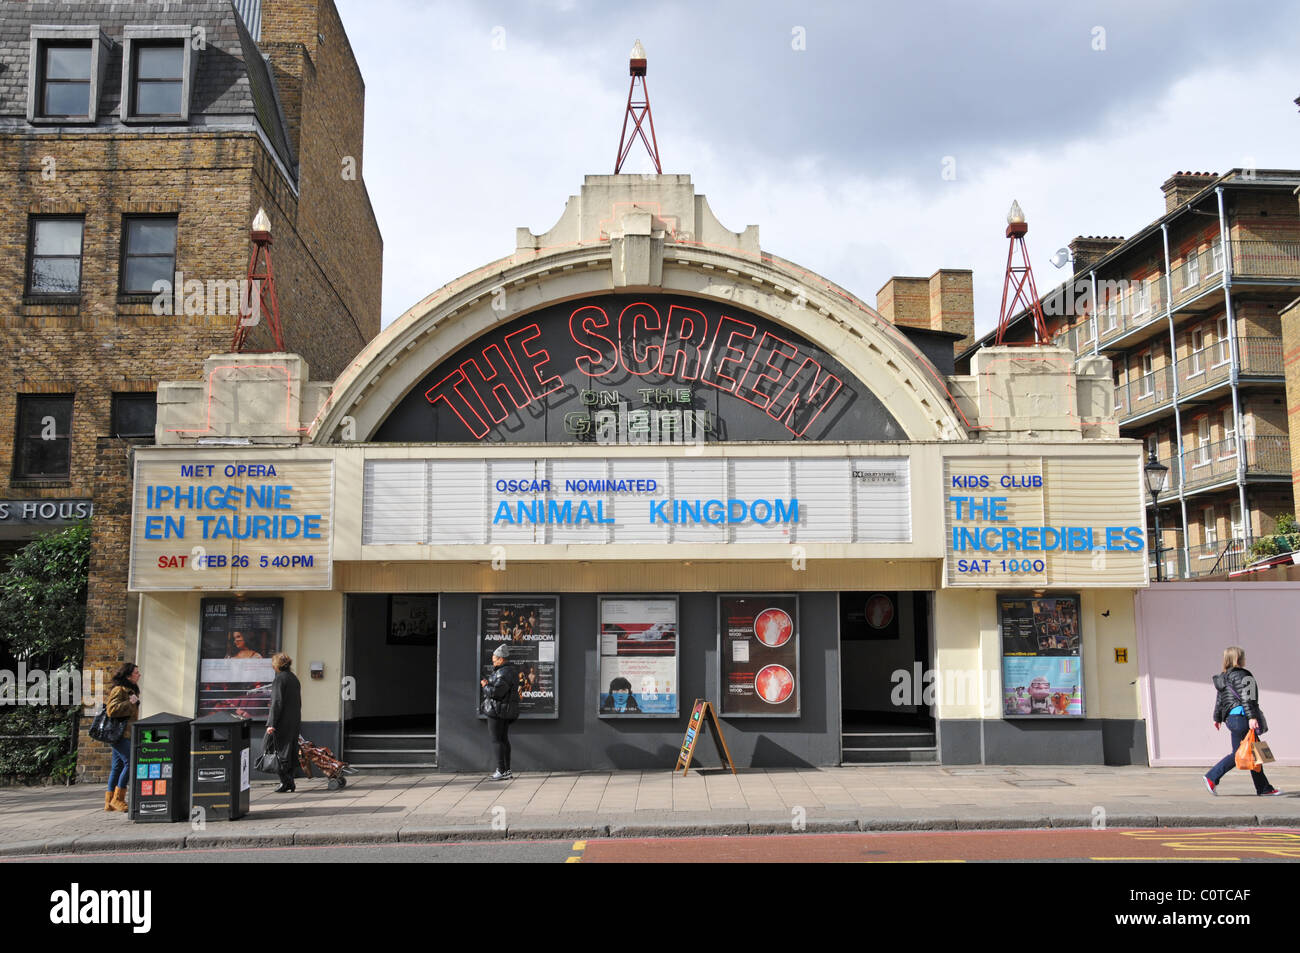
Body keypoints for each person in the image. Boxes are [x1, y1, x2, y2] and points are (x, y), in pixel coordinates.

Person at [1205, 646, 1282, 796]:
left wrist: (1217, 718)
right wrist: (1252, 717)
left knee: (1253, 752)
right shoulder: (1243, 675)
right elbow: (1248, 697)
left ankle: (1264, 788)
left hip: (1232, 719)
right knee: (1247, 752)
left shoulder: (1223, 677)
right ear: (1239, 659)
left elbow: (1220, 700)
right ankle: (1212, 777)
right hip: (1242, 718)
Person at [104, 663, 141, 813]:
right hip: (119, 734)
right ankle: (118, 799)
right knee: (131, 762)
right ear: (128, 676)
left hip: (125, 733)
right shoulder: (119, 690)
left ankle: (109, 801)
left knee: (117, 767)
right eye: (136, 673)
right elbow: (111, 710)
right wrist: (129, 702)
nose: (139, 675)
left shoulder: (131, 690)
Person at [481, 644, 520, 780]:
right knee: (503, 740)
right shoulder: (510, 671)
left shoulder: (503, 673)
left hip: (496, 711)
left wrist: (485, 686)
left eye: (494, 659)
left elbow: (497, 693)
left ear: (501, 659)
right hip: (503, 711)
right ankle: (507, 770)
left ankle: (501, 770)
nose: (493, 661)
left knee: (496, 740)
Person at [265, 653, 302, 793]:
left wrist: (271, 723)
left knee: (276, 750)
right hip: (294, 720)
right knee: (289, 750)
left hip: (281, 722)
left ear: (277, 665)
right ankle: (289, 781)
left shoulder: (279, 679)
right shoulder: (294, 678)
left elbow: (277, 702)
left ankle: (285, 781)